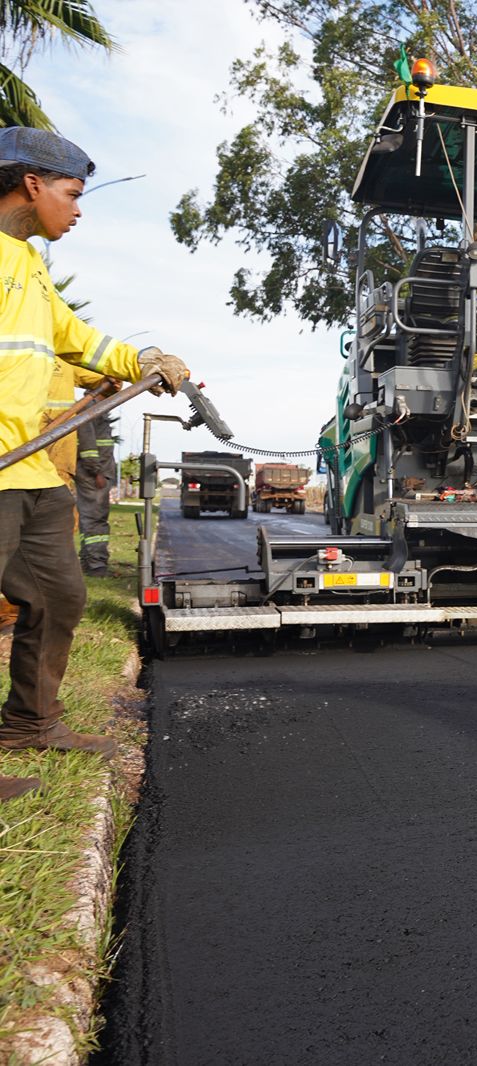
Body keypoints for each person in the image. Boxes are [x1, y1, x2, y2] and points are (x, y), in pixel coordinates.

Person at [0, 127, 188, 801]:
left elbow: (75, 339)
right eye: (72, 194)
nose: (78, 210)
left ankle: (29, 724)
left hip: (28, 471)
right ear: (32, 185)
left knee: (59, 595)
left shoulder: (28, 262)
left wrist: (141, 360)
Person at [76, 403, 117, 575]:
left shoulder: (98, 408)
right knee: (95, 519)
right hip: (94, 475)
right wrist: (96, 472)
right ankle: (96, 565)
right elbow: (87, 446)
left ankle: (89, 561)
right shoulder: (90, 408)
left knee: (91, 519)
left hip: (98, 473)